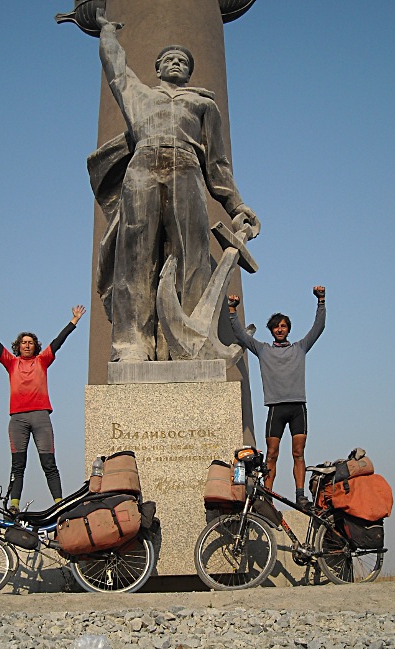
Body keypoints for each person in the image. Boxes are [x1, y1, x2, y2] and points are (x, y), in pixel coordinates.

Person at [90, 12, 258, 362]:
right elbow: (117, 70)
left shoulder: (202, 105)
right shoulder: (139, 95)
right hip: (142, 169)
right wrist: (107, 33)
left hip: (187, 169)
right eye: (171, 60)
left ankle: (185, 345)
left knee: (192, 256)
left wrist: (237, 206)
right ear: (158, 68)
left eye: (184, 61)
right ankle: (132, 344)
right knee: (135, 256)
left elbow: (217, 165)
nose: (178, 63)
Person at [0, 301, 86, 516]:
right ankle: (14, 503)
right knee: (18, 464)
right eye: (23, 343)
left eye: (30, 342)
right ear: (18, 346)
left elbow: (58, 341)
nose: (27, 345)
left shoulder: (42, 361)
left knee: (48, 462)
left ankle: (59, 502)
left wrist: (74, 320)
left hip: (41, 416)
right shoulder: (11, 363)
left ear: (35, 346)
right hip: (18, 420)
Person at [228, 287, 326, 507]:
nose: (280, 329)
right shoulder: (263, 350)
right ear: (271, 330)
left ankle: (301, 495)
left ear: (288, 329)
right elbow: (241, 335)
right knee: (271, 454)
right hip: (276, 409)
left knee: (298, 452)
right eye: (276, 327)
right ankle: (267, 497)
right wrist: (232, 309)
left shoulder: (300, 347)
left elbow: (318, 328)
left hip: (297, 407)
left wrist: (321, 301)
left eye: (283, 326)